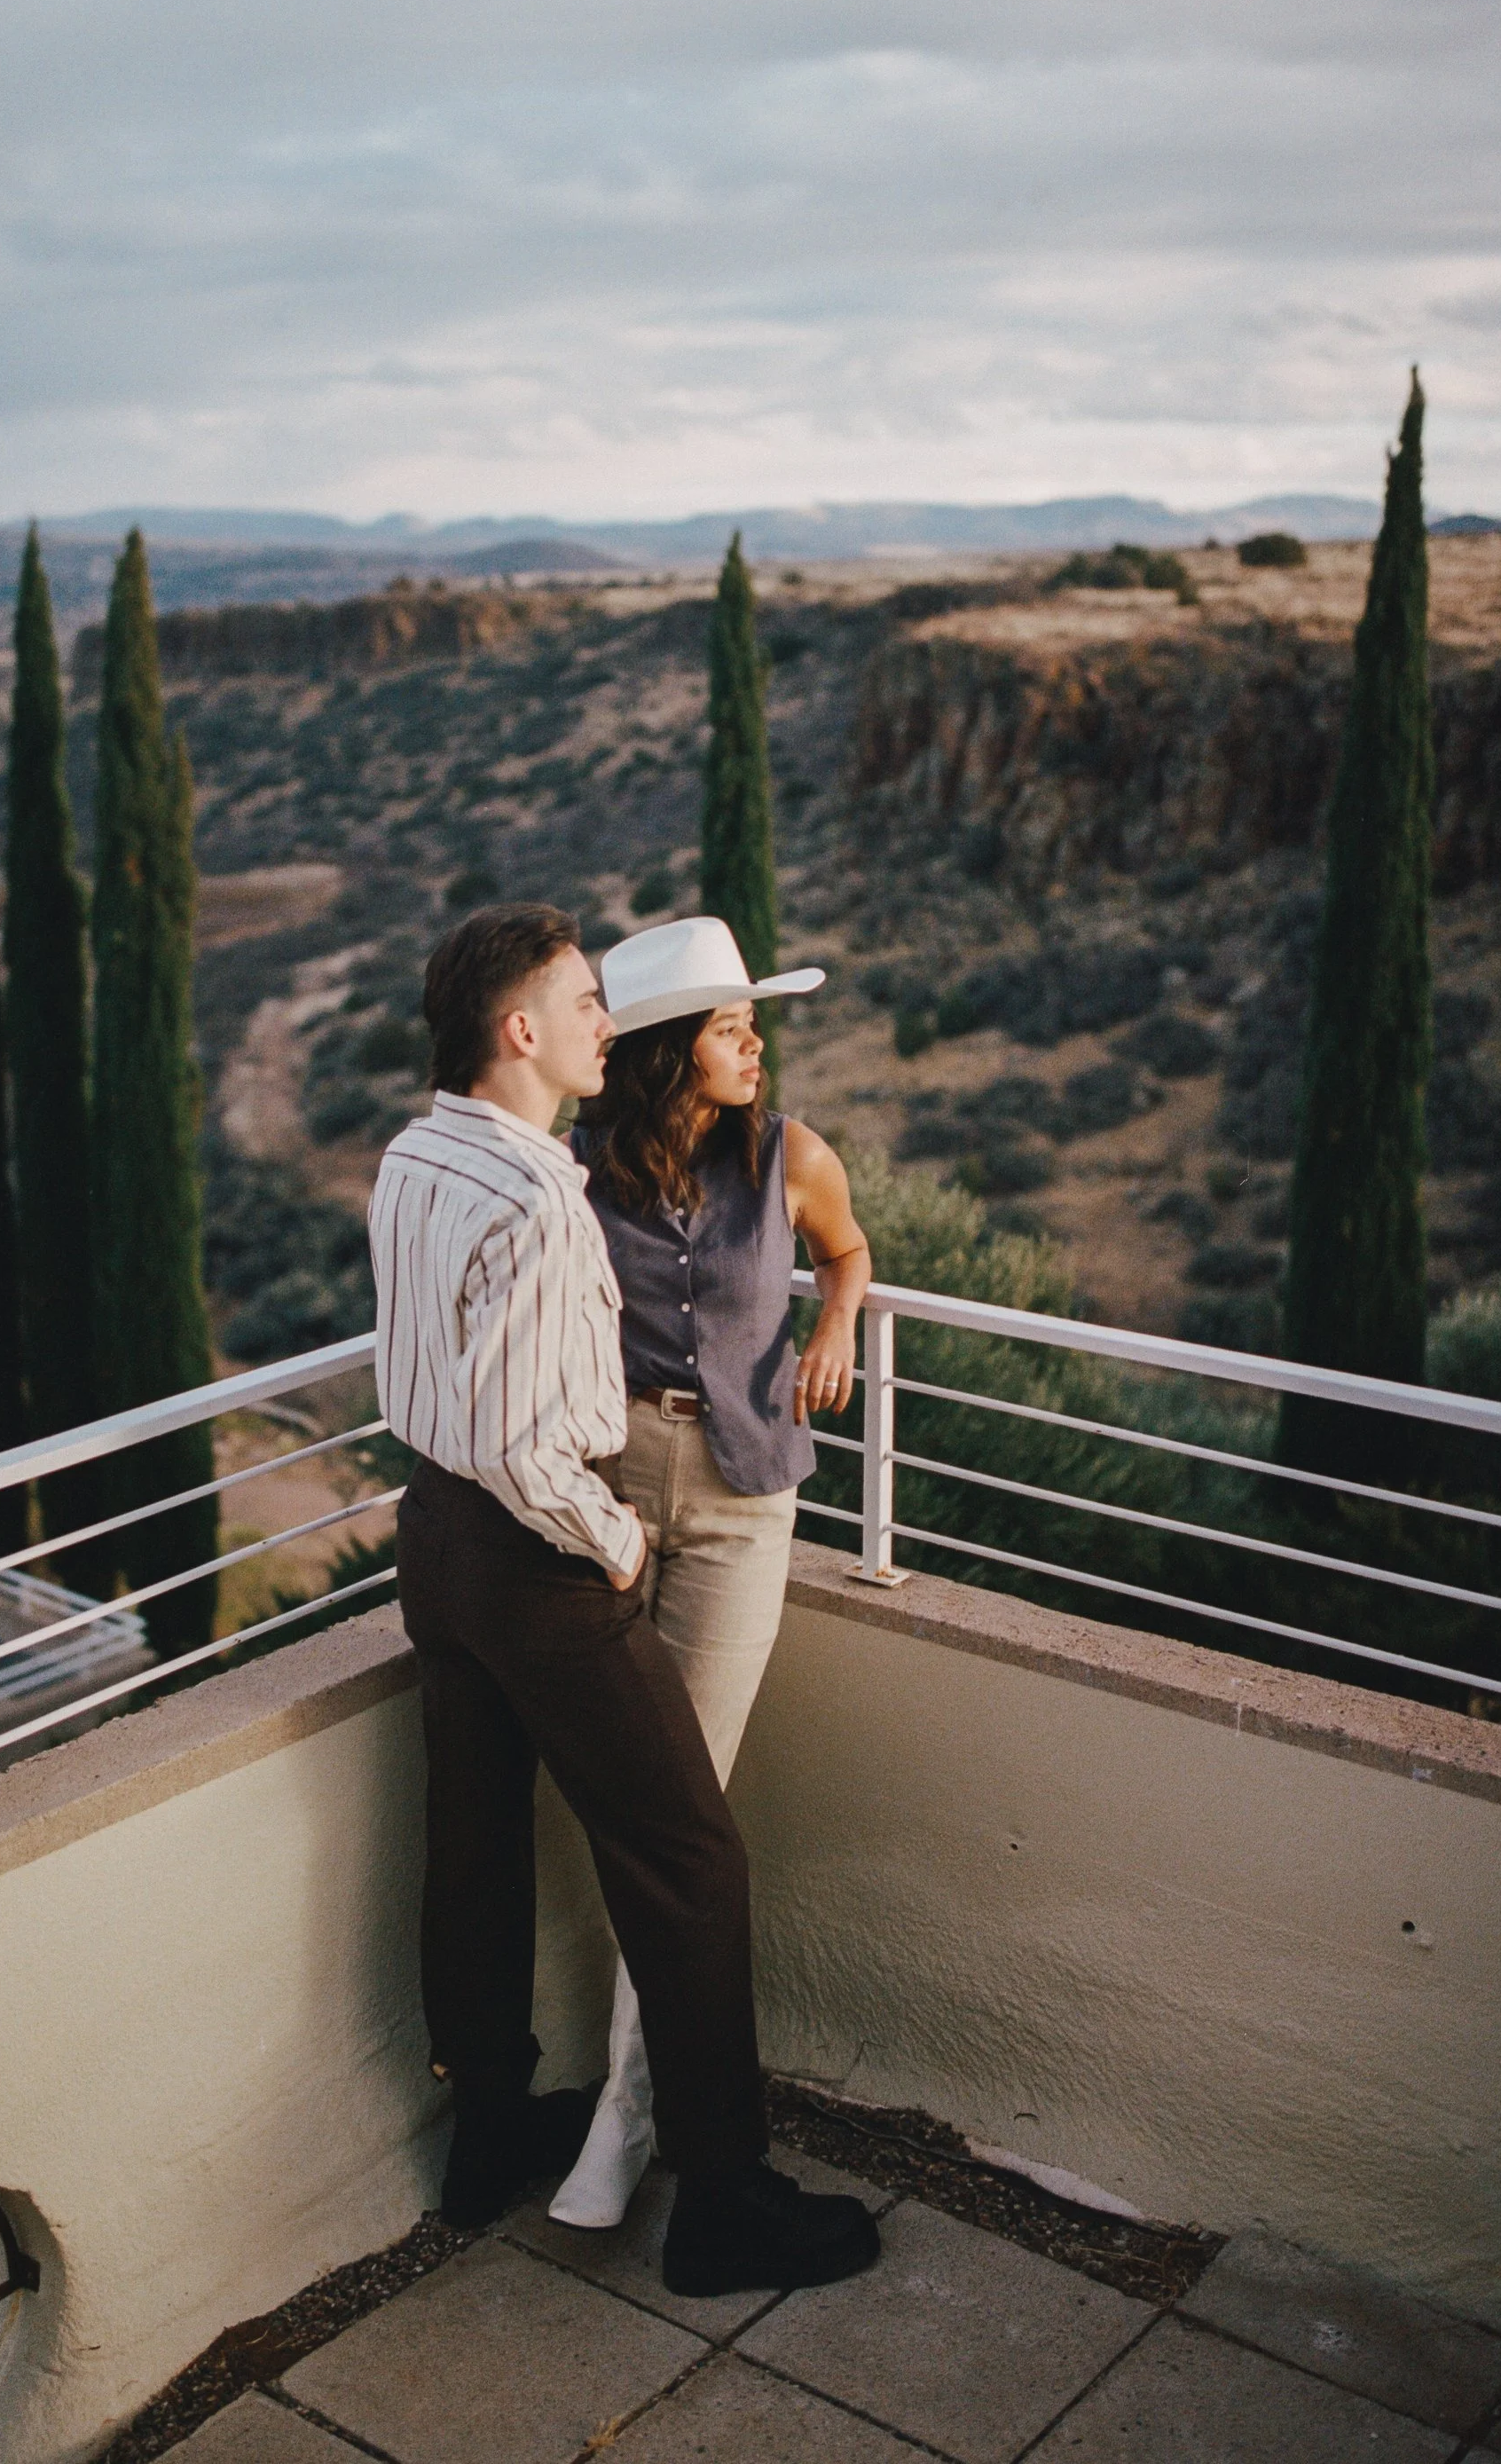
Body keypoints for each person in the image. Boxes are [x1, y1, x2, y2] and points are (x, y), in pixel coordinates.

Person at [369, 901, 878, 2295]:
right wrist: (613, 1544)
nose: (601, 1019)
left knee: (474, 1831)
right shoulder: (545, 1192)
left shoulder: (415, 1155)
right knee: (692, 1859)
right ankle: (723, 2200)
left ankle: (486, 2137)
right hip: (542, 1555)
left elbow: (441, 1383)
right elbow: (537, 1449)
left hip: (438, 1540)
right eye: (583, 1000)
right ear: (524, 1030)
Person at [546, 914, 871, 2230]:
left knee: (681, 1818)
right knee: (636, 1812)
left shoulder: (792, 1155)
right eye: (735, 1028)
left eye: (753, 1023)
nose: (757, 1045)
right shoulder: (573, 1176)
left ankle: (623, 2118)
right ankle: (637, 2111)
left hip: (743, 1510)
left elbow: (848, 1252)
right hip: (607, 1502)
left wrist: (838, 1327)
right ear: (674, 1053)